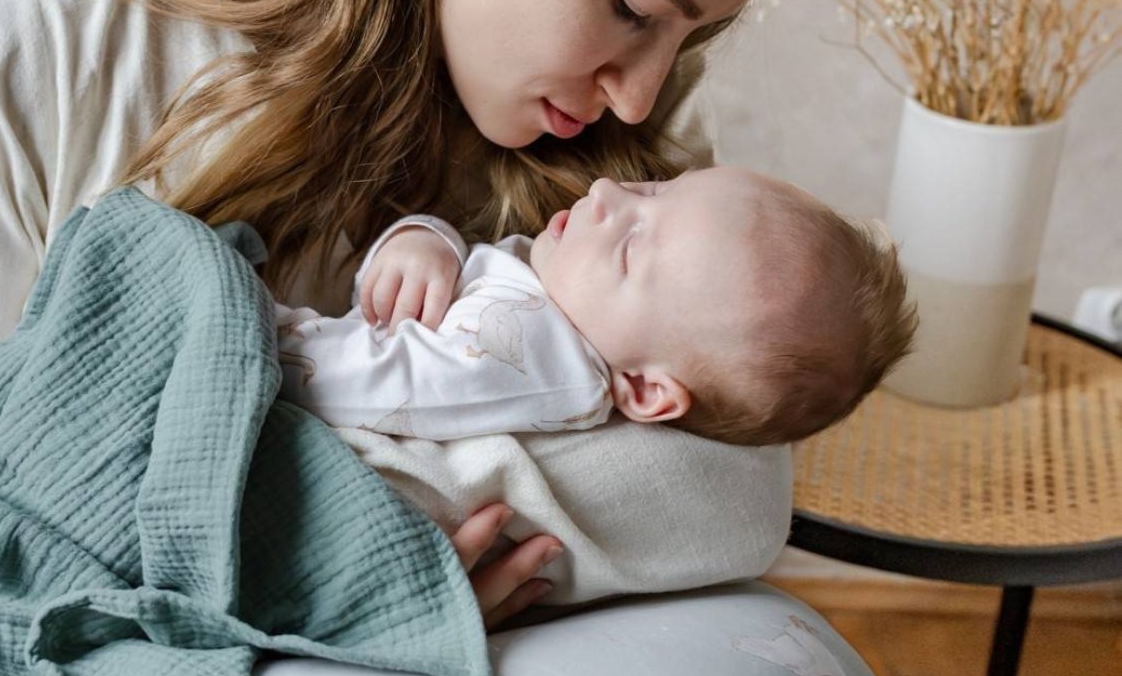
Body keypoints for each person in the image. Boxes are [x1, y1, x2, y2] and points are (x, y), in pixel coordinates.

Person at [0, 0, 836, 630]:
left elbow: (731, 470)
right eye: (630, 10)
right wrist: (325, 582)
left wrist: (415, 547)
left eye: (693, 31)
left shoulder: (606, 174)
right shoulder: (40, 49)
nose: (641, 100)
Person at [275, 166, 916, 445]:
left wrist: (252, 323)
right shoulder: (558, 291)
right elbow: (464, 276)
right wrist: (429, 241)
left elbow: (343, 383)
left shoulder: (536, 359)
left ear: (642, 387)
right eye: (656, 189)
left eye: (632, 248)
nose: (608, 192)